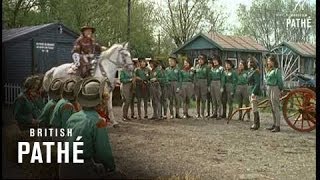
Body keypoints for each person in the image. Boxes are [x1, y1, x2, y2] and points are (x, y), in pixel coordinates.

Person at [59, 78, 115, 179]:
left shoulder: (73, 117)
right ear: (101, 100)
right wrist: (111, 167)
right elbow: (103, 152)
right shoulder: (99, 121)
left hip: (64, 168)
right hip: (82, 170)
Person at [264, 55, 284, 132]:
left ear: (273, 62)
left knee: (276, 107)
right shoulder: (269, 70)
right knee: (272, 108)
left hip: (275, 88)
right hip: (269, 88)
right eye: (268, 61)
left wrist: (281, 89)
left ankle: (278, 126)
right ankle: (274, 124)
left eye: (269, 61)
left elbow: (280, 81)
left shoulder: (276, 71)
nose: (268, 62)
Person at [247, 57, 262, 130]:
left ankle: (256, 124)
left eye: (249, 62)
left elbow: (257, 83)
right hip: (250, 91)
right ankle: (256, 123)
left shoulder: (256, 72)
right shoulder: (251, 71)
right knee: (253, 108)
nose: (248, 63)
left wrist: (253, 92)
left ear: (252, 63)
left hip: (254, 92)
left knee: (255, 108)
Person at [165, 54, 182, 119]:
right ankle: (171, 114)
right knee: (170, 100)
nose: (171, 62)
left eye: (172, 61)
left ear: (175, 62)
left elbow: (180, 79)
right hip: (169, 84)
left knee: (177, 100)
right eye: (169, 61)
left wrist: (179, 87)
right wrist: (167, 83)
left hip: (176, 84)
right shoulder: (167, 69)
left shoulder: (178, 69)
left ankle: (177, 113)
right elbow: (166, 77)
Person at [208, 54, 224, 119]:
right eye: (214, 60)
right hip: (212, 83)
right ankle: (214, 113)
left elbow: (222, 78)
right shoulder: (212, 69)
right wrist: (209, 85)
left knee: (218, 99)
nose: (214, 62)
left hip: (218, 82)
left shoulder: (221, 68)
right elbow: (209, 78)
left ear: (218, 61)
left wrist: (222, 86)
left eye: (216, 60)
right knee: (213, 99)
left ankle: (219, 114)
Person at [193, 54, 209, 119]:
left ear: (204, 60)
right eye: (199, 59)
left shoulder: (207, 67)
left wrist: (208, 85)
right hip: (197, 83)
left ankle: (202, 113)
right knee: (197, 99)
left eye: (202, 59)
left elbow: (209, 77)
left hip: (204, 83)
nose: (200, 61)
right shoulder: (196, 67)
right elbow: (194, 75)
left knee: (203, 99)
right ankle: (197, 113)